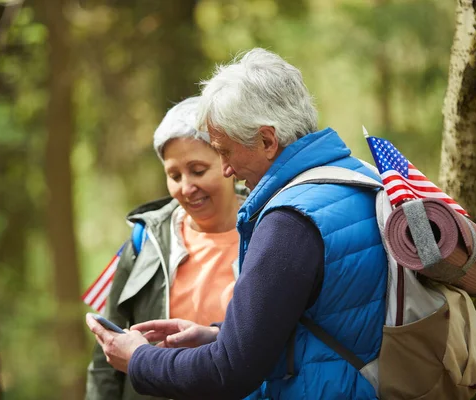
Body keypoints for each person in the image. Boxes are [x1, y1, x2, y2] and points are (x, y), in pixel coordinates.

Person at [86, 48, 388, 400]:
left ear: (267, 140)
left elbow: (228, 371)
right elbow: (325, 317)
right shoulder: (357, 180)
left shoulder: (288, 222)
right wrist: (220, 334)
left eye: (225, 152)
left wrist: (138, 358)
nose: (227, 168)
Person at [85, 96, 246, 400]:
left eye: (198, 170)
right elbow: (105, 357)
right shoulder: (146, 239)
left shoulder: (271, 228)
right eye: (174, 176)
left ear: (228, 163)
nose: (186, 187)